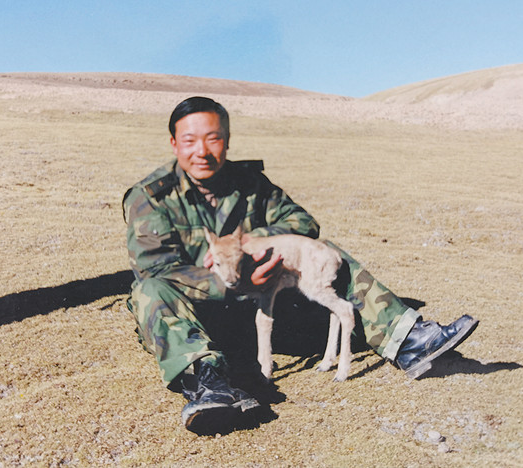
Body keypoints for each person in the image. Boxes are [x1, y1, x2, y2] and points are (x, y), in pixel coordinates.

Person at [122, 96, 478, 435]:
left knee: (322, 252)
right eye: (189, 141)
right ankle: (208, 384)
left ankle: (407, 339)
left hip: (268, 308)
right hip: (201, 318)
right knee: (149, 291)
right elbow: (157, 269)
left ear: (227, 141)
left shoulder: (250, 184)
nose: (202, 151)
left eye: (213, 139)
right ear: (174, 144)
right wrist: (233, 281)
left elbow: (302, 224)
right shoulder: (150, 198)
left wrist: (254, 247)